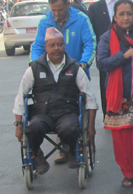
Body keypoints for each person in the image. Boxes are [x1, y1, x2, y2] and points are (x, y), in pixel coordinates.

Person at [13, 28, 97, 175]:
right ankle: (37, 154)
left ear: (64, 46)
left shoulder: (75, 68)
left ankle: (72, 151)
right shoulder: (35, 68)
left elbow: (90, 97)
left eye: (60, 44)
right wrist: (19, 124)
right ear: (46, 47)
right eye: (52, 45)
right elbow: (21, 96)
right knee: (33, 129)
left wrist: (91, 126)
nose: (56, 48)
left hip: (67, 113)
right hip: (42, 114)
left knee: (69, 128)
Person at [96, 0, 133, 187]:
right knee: (122, 139)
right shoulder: (107, 38)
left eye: (129, 14)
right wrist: (123, 56)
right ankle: (127, 173)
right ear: (114, 17)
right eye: (121, 14)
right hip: (118, 96)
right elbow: (101, 63)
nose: (126, 17)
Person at [30, 0, 96, 68]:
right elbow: (37, 47)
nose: (56, 13)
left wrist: (84, 63)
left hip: (76, 70)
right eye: (53, 10)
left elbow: (90, 44)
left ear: (68, 4)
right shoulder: (44, 22)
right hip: (50, 71)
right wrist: (36, 65)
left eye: (60, 10)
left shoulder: (81, 19)